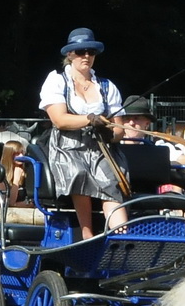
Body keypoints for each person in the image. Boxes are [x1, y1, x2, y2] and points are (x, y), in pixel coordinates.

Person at [38, 27, 129, 238]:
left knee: (110, 180)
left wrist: (109, 134)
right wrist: (89, 119)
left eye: (91, 51)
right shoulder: (58, 81)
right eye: (80, 52)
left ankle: (122, 237)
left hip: (102, 149)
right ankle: (87, 235)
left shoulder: (107, 87)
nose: (86, 56)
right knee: (79, 172)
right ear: (70, 55)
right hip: (68, 147)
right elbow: (59, 119)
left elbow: (119, 130)